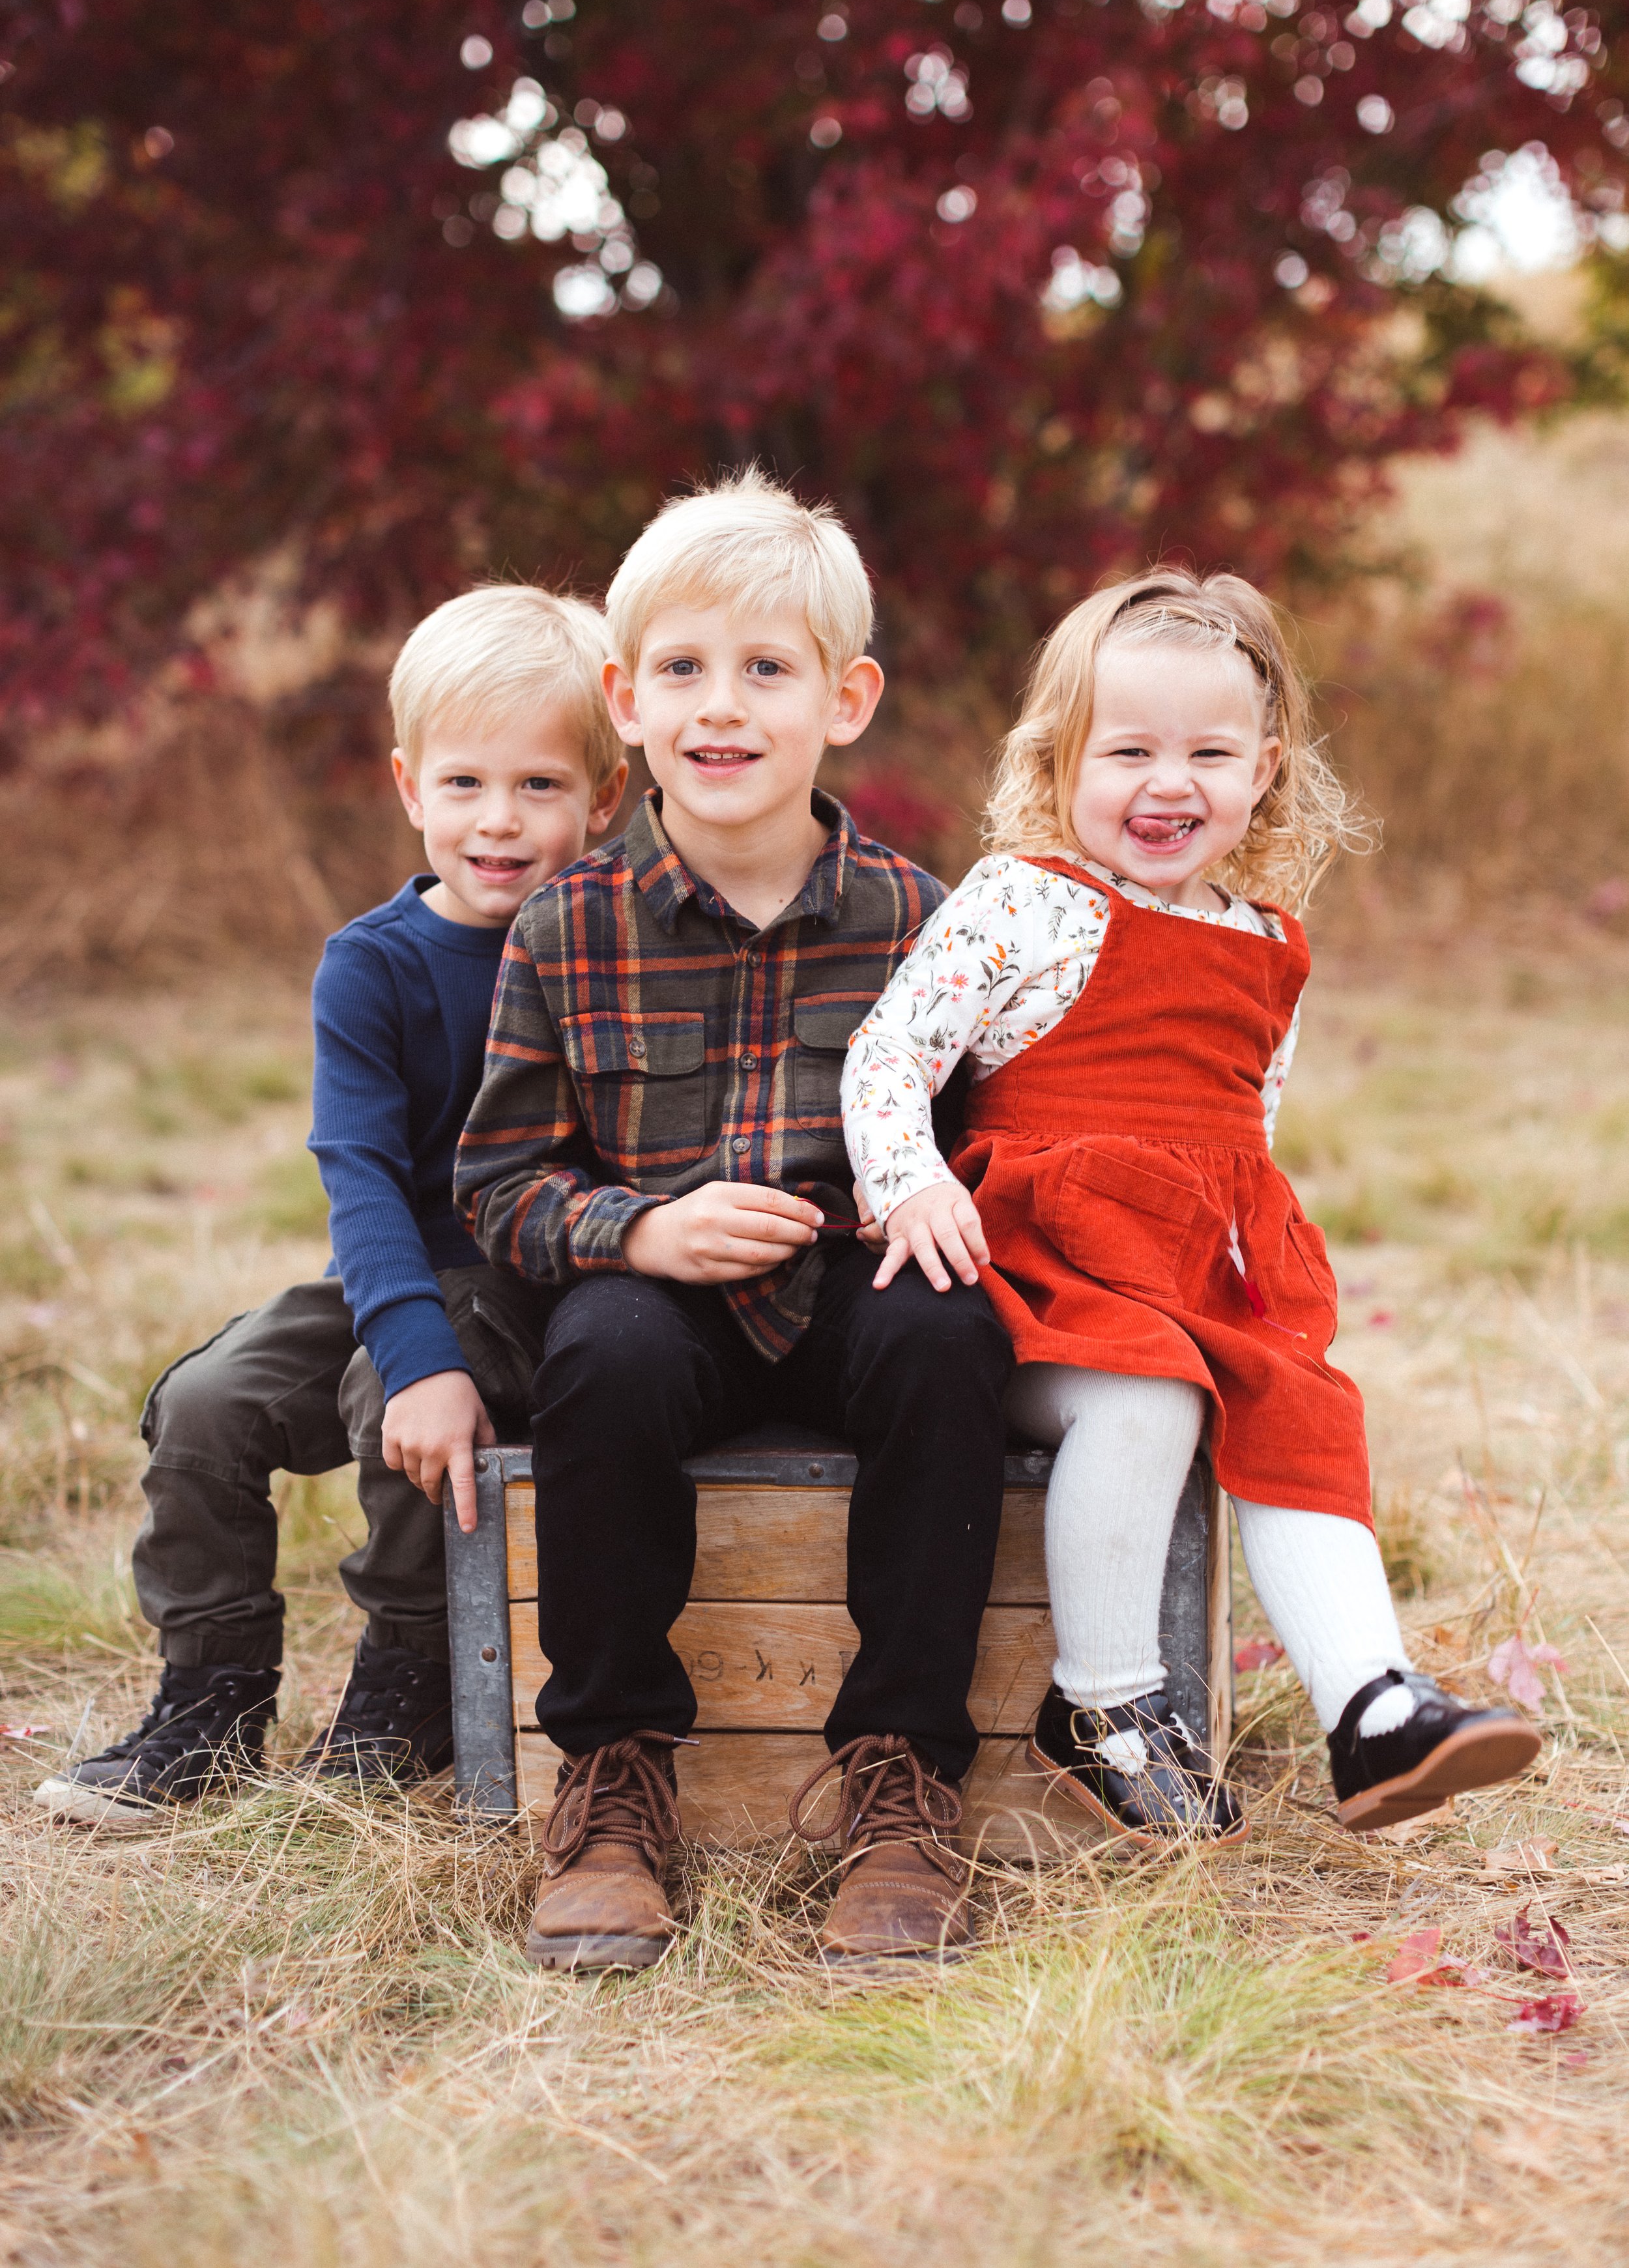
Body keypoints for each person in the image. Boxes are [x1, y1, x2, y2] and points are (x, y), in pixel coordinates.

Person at [842, 567, 1540, 1845]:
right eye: (1129, 750)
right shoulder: (1025, 901)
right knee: (1148, 1388)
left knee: (1299, 1409)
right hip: (1049, 1278)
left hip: (1200, 1264)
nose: (1169, 783)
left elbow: (1245, 1121)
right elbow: (890, 1056)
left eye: (1208, 752)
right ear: (1060, 758)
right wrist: (907, 1180)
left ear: (1265, 767)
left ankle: (1370, 1708)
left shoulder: (1269, 938)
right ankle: (1103, 1706)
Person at [454, 469, 1012, 1974]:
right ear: (627, 699)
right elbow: (501, 1179)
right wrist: (636, 1232)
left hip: (854, 1287)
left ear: (844, 699)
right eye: (685, 671)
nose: (722, 708)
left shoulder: (920, 919)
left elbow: (977, 1146)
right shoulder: (568, 924)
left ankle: (899, 1783)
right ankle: (616, 1775)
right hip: (667, 1289)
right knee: (606, 1354)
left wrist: (934, 1200)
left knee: (947, 1335)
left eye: (765, 671)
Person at [35, 589, 626, 1830]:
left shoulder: (605, 948)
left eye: (540, 786)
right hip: (397, 1265)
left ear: (604, 801)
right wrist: (406, 1341)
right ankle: (213, 1693)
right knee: (207, 1400)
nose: (500, 821)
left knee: (394, 1398)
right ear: (410, 787)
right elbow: (355, 1173)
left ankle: (411, 1680)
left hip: (535, 1282)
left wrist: (418, 1365)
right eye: (466, 783)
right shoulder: (374, 962)